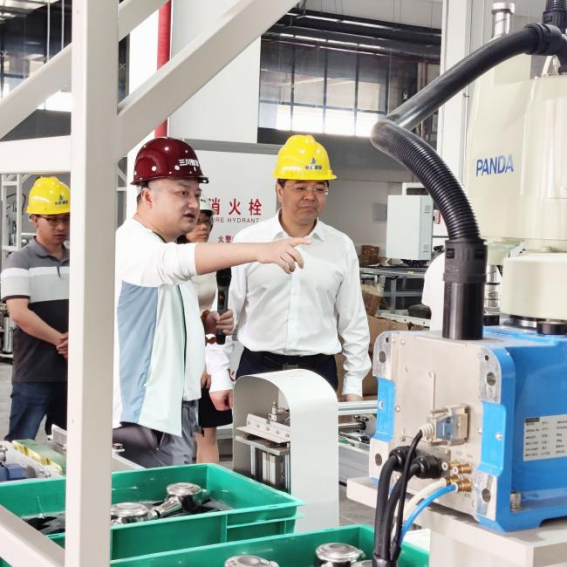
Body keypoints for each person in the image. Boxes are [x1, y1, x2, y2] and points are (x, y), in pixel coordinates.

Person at [112, 137, 308, 468]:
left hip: (172, 409)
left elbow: (156, 315)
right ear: (147, 196)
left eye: (197, 194)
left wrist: (202, 324)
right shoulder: (134, 243)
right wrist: (261, 250)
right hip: (143, 417)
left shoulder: (163, 245)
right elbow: (174, 263)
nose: (192, 203)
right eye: (182, 192)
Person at [207, 134, 371, 412]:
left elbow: (353, 320)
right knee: (254, 440)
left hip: (317, 373)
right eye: (300, 187)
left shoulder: (340, 246)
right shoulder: (250, 241)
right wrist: (219, 375)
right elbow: (224, 312)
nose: (310, 196)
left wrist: (354, 384)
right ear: (279, 190)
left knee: (315, 442)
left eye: (319, 188)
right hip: (258, 369)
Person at [0, 177, 70, 441]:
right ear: (34, 220)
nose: (61, 226)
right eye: (52, 219)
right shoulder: (19, 261)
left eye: (66, 218)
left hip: (72, 373)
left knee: (68, 445)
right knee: (21, 443)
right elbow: (19, 313)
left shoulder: (80, 260)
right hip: (34, 372)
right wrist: (63, 342)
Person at [179, 196, 230, 464]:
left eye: (207, 221)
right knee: (174, 437)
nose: (202, 227)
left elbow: (218, 313)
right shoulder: (172, 261)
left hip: (207, 350)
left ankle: (209, 486)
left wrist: (208, 364)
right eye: (197, 221)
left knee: (206, 434)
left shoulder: (216, 261)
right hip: (176, 354)